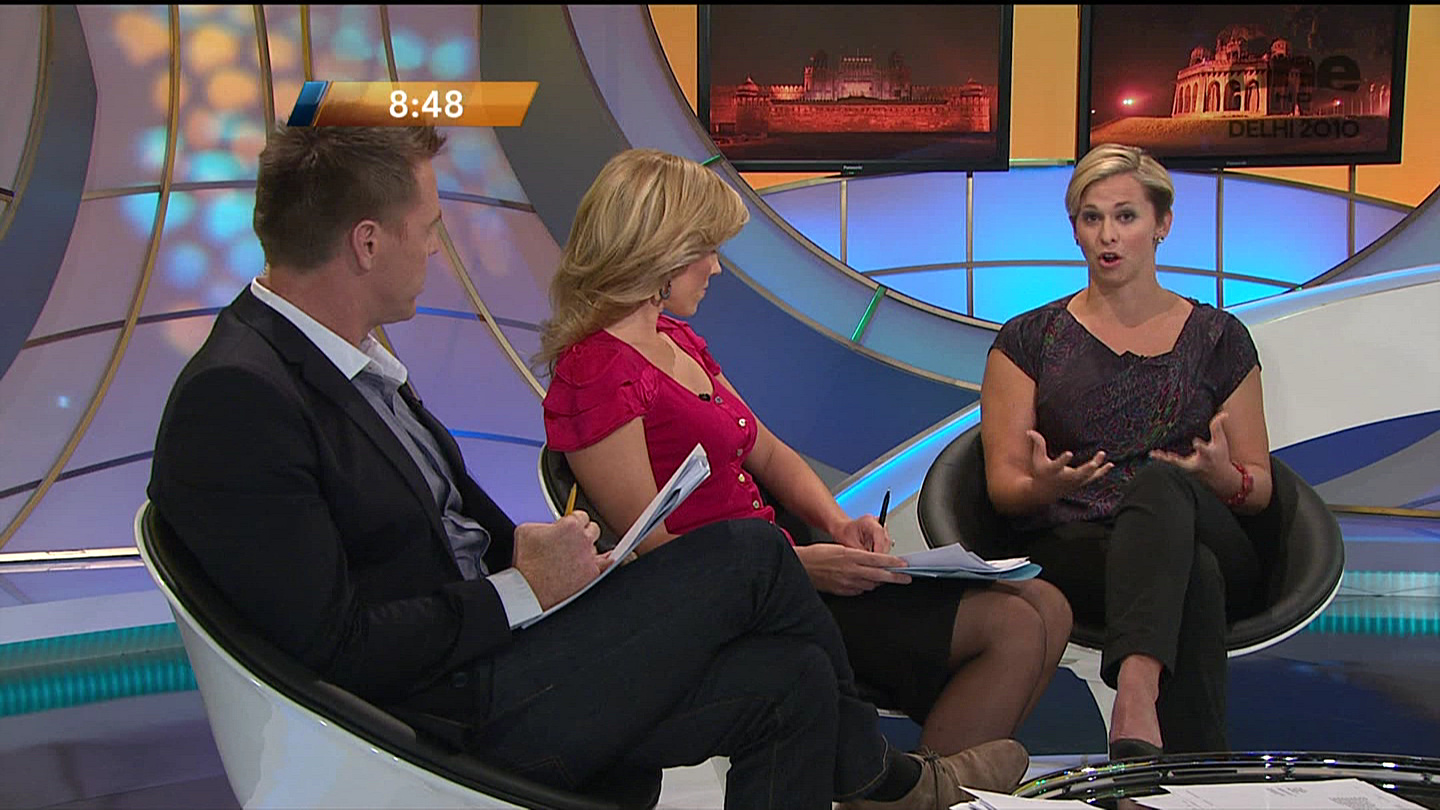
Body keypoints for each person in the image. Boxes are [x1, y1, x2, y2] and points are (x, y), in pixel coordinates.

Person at [147, 125, 1030, 810]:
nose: (436, 251)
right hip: (441, 710)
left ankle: (877, 775)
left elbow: (446, 532)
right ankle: (885, 781)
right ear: (367, 243)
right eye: (429, 230)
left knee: (791, 681)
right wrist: (520, 589)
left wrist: (540, 562)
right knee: (752, 555)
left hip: (498, 655)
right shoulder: (240, 399)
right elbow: (331, 646)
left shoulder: (350, 363)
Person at [537, 148, 1073, 771]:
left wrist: (839, 523)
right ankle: (904, 792)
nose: (716, 266)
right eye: (705, 249)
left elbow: (766, 449)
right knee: (1012, 628)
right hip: (737, 603)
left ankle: (920, 780)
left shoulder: (674, 338)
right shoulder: (596, 371)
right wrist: (800, 566)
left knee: (1050, 605)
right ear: (658, 252)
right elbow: (656, 550)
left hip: (787, 566)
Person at [979, 143, 1273, 758]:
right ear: (1075, 230)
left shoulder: (1219, 338)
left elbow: (1259, 487)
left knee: (1161, 484)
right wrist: (1044, 485)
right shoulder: (1029, 339)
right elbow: (1005, 488)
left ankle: (1134, 694)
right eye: (1092, 218)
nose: (1107, 236)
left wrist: (1222, 476)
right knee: (1195, 574)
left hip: (1203, 519)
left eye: (1126, 216)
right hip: (1082, 543)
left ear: (1162, 224)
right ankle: (1187, 776)